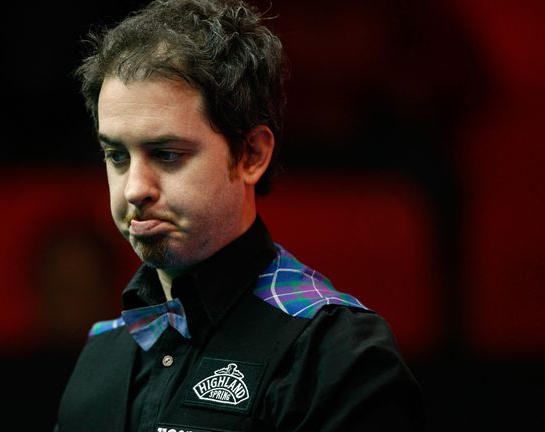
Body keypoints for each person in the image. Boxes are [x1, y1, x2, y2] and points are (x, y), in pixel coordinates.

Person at [55, 0, 425, 430]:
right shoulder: (102, 352)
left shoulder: (334, 353)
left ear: (251, 154)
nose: (135, 188)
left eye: (167, 154)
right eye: (116, 155)